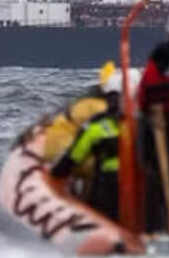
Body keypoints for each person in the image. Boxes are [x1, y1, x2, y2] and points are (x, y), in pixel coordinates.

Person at [51, 67, 141, 220]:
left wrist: (55, 174)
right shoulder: (147, 125)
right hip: (140, 187)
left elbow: (74, 156)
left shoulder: (98, 125)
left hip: (108, 185)